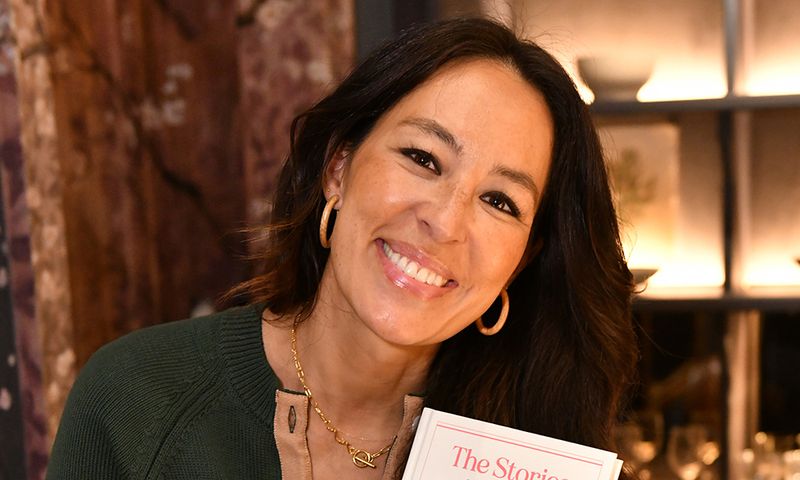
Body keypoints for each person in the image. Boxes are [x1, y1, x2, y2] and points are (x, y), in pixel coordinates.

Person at [47, 17, 637, 480]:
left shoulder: (538, 452)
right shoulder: (139, 399)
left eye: (500, 201)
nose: (446, 222)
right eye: (423, 159)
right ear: (338, 168)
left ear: (522, 261)